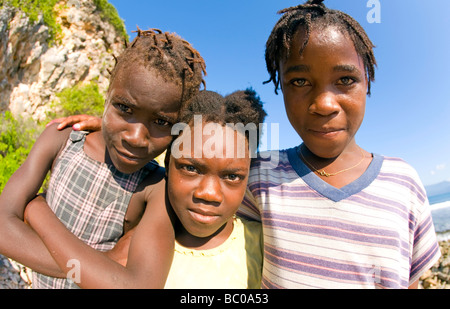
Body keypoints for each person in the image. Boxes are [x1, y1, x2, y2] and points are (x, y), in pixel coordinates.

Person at [237, 0, 440, 289]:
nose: (324, 104)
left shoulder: (404, 184)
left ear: (366, 81)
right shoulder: (258, 178)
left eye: (345, 79)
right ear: (280, 86)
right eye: (299, 81)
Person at [0, 28, 206, 288]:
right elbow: (2, 228)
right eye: (124, 108)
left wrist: (37, 210)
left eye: (161, 121)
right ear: (108, 93)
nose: (135, 137)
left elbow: (140, 285)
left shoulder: (156, 187)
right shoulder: (61, 139)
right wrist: (102, 264)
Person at [26, 89, 266, 289]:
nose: (208, 193)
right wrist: (108, 131)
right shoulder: (139, 241)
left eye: (232, 176)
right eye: (191, 169)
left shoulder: (264, 245)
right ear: (168, 165)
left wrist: (36, 208)